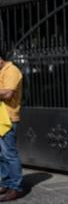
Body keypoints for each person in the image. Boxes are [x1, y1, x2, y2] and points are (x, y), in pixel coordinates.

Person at [0, 50, 24, 202]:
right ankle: (5, 183)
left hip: (8, 118)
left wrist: (2, 92)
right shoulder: (2, 71)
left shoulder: (12, 71)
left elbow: (7, 94)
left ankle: (16, 188)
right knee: (1, 155)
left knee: (9, 154)